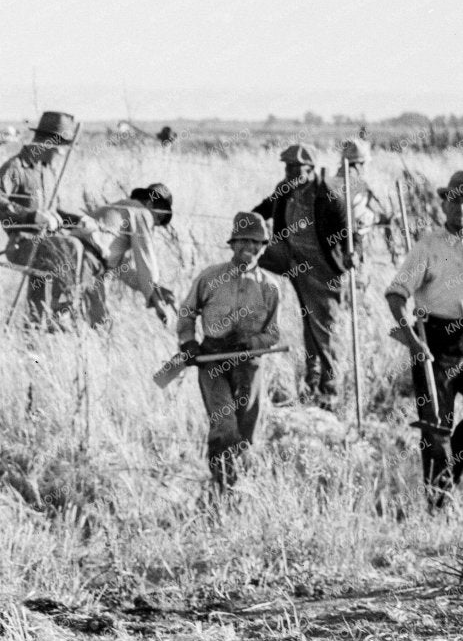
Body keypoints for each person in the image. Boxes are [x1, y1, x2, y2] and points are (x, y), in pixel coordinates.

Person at [384, 170, 463, 509]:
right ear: (444, 203)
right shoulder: (428, 246)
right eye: (455, 200)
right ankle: (438, 503)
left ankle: (446, 481)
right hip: (434, 342)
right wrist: (412, 339)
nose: (461, 208)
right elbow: (396, 294)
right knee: (435, 427)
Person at [175, 211, 285, 494]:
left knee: (245, 429)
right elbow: (187, 312)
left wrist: (252, 344)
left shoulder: (270, 288)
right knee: (224, 425)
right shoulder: (209, 278)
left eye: (256, 244)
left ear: (263, 247)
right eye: (244, 242)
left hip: (248, 364)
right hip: (211, 360)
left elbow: (273, 333)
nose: (249, 249)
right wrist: (188, 342)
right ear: (233, 244)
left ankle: (238, 488)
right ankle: (221, 485)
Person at [249, 142, 354, 403]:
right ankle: (312, 381)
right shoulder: (286, 188)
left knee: (324, 326)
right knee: (309, 321)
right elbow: (266, 207)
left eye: (295, 168)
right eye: (287, 167)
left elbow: (349, 229)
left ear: (310, 168)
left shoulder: (327, 193)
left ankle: (329, 390)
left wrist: (354, 253)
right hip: (295, 263)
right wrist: (247, 221)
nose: (289, 172)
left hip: (323, 268)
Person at [0, 110, 104, 328]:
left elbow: (54, 213)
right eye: (61, 147)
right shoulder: (15, 167)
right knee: (70, 245)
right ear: (49, 142)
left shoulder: (48, 172)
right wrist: (31, 216)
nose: (62, 154)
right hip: (22, 244)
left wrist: (79, 221)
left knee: (87, 252)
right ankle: (61, 312)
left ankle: (46, 328)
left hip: (48, 244)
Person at [82, 183, 179, 325]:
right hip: (89, 260)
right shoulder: (142, 212)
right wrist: (158, 302)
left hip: (81, 257)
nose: (154, 225)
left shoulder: (122, 210)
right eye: (157, 218)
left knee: (97, 321)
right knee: (98, 324)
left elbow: (124, 271)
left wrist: (157, 291)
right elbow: (145, 258)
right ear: (150, 204)